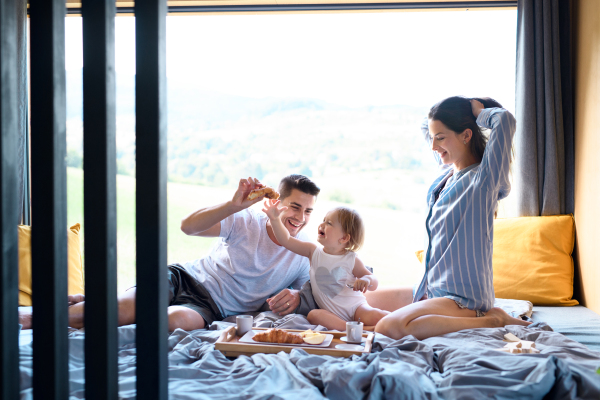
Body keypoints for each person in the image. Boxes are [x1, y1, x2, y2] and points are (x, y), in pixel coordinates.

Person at [21, 174, 321, 331]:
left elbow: (310, 293)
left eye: (308, 210)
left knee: (171, 322)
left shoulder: (303, 251)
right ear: (277, 202)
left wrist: (296, 296)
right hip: (183, 278)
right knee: (120, 312)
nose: (301, 217)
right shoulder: (246, 219)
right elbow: (188, 227)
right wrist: (233, 205)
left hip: (210, 308)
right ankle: (31, 319)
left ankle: (98, 301)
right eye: (295, 206)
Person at [374, 96, 531, 341]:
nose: (433, 146)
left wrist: (479, 112)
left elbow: (506, 120)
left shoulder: (483, 180)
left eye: (441, 138)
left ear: (466, 135)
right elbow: (429, 130)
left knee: (388, 327)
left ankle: (492, 319)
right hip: (432, 289)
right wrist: (440, 124)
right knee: (359, 303)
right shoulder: (445, 177)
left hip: (463, 298)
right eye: (433, 137)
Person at [262, 201, 389, 331]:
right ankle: (365, 330)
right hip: (332, 315)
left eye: (329, 223)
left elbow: (374, 282)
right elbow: (286, 240)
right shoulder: (313, 251)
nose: (321, 225)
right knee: (314, 315)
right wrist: (275, 219)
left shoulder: (351, 259)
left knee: (376, 316)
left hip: (356, 308)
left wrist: (367, 280)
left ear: (344, 238)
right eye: (324, 220)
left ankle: (401, 322)